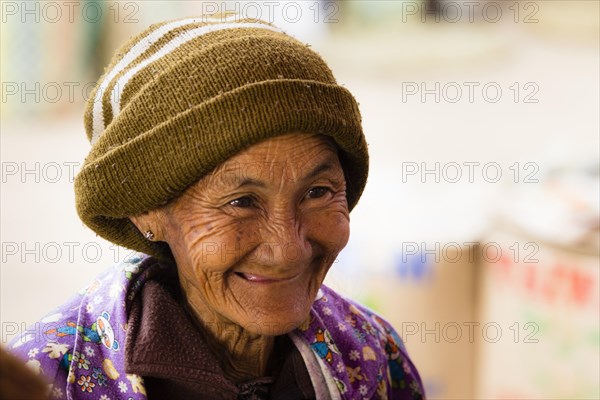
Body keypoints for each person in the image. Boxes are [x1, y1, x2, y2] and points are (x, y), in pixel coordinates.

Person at [4, 15, 426, 400]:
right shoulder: (42, 379)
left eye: (316, 192)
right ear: (146, 211)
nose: (288, 250)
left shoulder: (372, 353)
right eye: (241, 202)